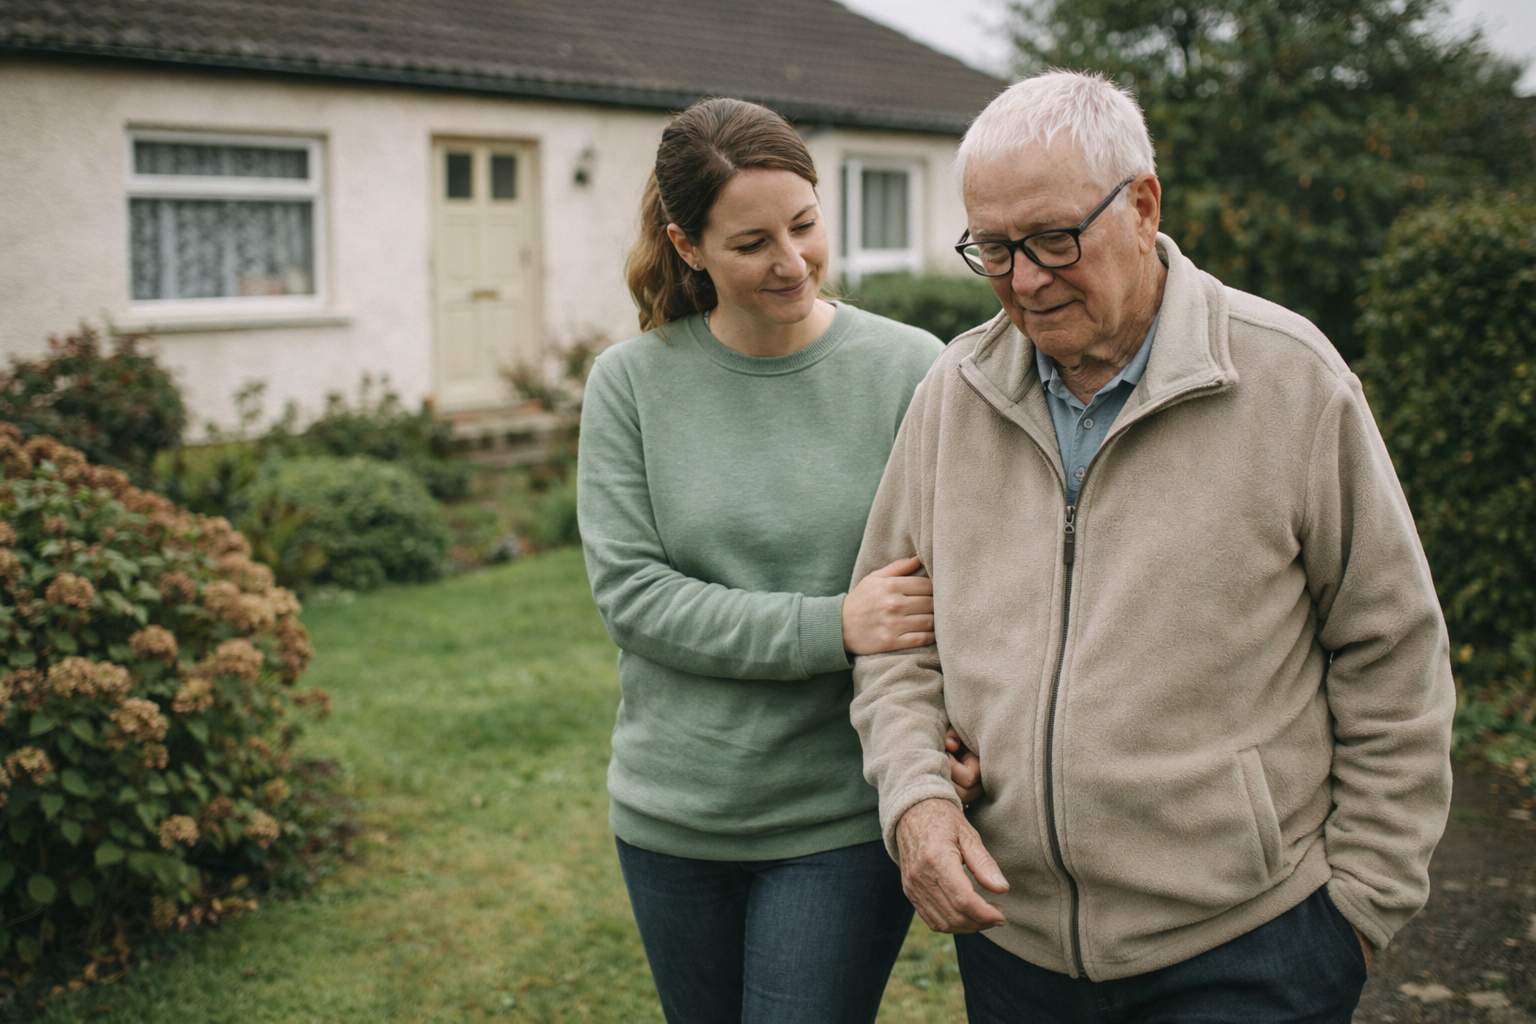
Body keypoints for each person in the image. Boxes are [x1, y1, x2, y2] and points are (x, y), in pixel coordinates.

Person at [848, 71, 1455, 1023]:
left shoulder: (1292, 380)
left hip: (1250, 950)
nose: (1026, 280)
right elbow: (895, 643)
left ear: (1142, 205)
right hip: (1017, 949)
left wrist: (1362, 908)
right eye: (995, 249)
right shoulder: (952, 393)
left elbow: (1393, 650)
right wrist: (918, 797)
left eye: (1054, 239)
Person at [576, 97, 970, 1024]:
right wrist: (828, 624)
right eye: (752, 242)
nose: (792, 262)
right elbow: (634, 597)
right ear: (687, 245)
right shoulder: (630, 386)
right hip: (673, 816)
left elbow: (965, 573)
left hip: (840, 812)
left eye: (804, 225)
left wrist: (958, 730)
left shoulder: (913, 369)